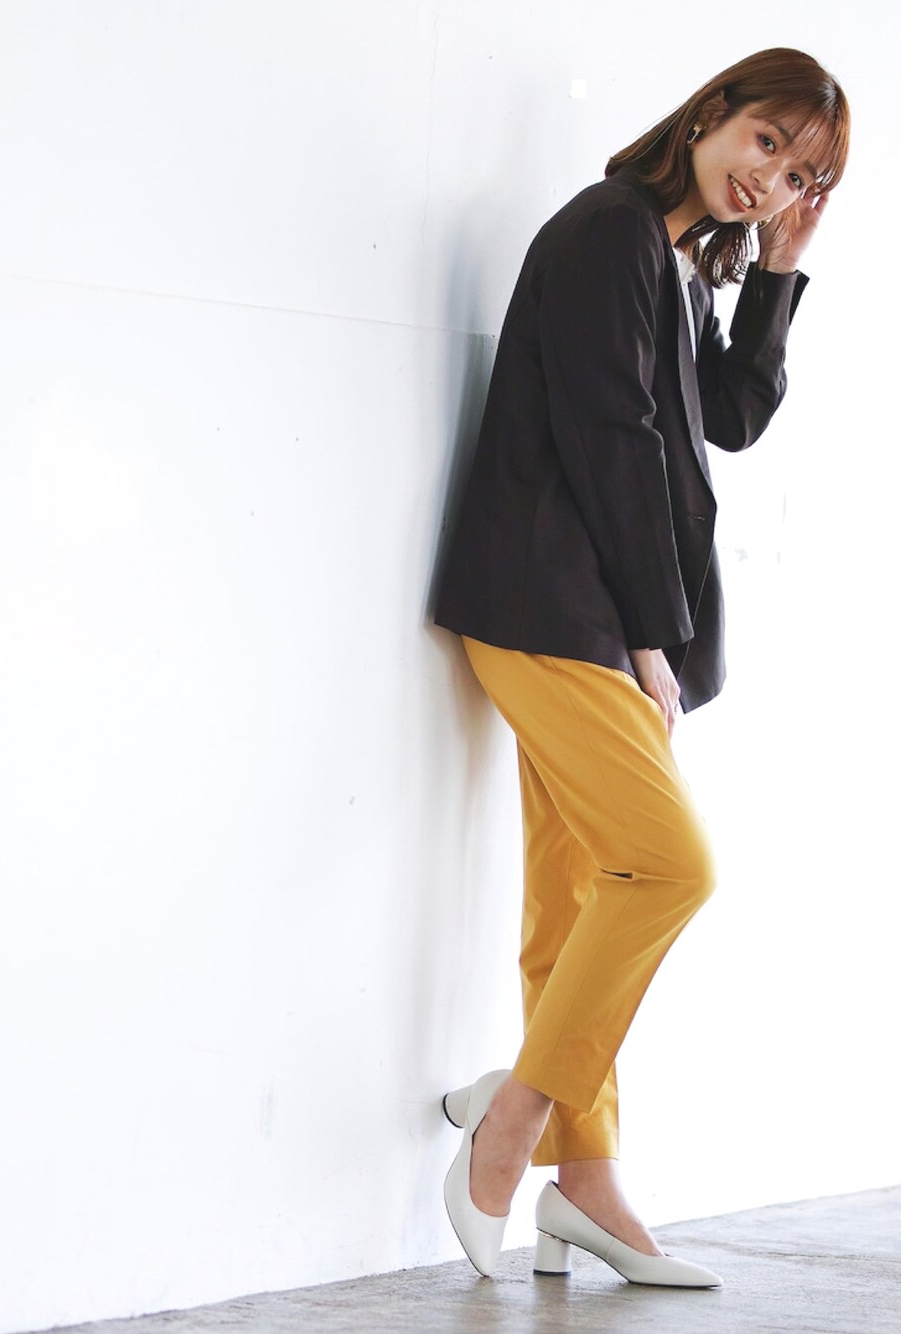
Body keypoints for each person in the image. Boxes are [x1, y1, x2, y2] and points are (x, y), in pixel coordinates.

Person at [432, 48, 850, 1288]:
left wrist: (775, 271)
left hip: (574, 608)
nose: (771, 181)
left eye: (801, 175)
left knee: (576, 898)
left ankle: (587, 1178)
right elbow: (612, 443)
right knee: (670, 865)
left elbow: (726, 416)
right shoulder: (608, 230)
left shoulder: (669, 258)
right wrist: (653, 637)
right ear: (712, 113)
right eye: (765, 143)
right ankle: (514, 1117)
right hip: (546, 604)